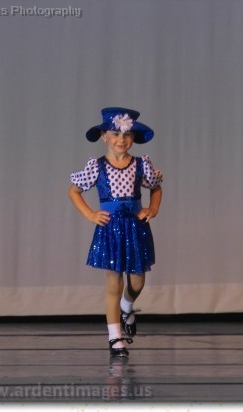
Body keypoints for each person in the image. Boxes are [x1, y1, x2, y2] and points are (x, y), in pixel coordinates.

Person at [68, 107, 163, 357]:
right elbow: (74, 191)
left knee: (137, 282)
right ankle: (115, 337)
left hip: (135, 228)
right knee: (113, 283)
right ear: (104, 136)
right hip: (110, 229)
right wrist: (90, 214)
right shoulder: (97, 166)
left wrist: (152, 208)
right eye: (115, 134)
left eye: (127, 135)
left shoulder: (141, 165)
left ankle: (127, 306)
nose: (121, 140)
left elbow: (156, 187)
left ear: (133, 138)